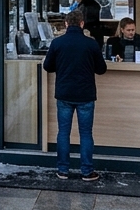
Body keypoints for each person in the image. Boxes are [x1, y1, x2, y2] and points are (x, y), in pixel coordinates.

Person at [42, 10, 106, 181]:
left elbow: (47, 66)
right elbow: (101, 69)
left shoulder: (57, 43)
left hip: (64, 93)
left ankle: (63, 170)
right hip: (85, 94)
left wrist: (62, 66)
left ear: (66, 24)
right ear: (82, 24)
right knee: (86, 133)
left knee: (63, 132)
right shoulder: (91, 44)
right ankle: (87, 171)